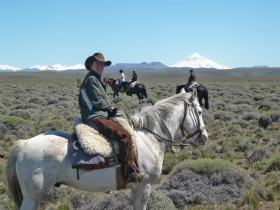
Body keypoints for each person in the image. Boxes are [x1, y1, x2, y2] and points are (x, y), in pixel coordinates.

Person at [79, 52, 144, 183]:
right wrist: (111, 109)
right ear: (91, 65)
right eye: (97, 63)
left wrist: (111, 108)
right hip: (95, 116)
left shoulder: (96, 78)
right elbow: (97, 101)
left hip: (99, 113)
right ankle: (129, 173)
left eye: (102, 64)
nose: (100, 66)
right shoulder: (92, 79)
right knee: (125, 137)